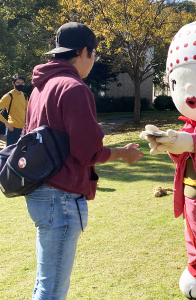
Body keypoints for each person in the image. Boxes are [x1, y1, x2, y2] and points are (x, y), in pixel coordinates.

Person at [24, 22, 144, 300]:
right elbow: (88, 151)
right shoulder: (73, 87)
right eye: (94, 54)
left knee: (46, 282)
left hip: (40, 192)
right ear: (83, 51)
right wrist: (123, 153)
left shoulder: (39, 88)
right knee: (52, 289)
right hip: (61, 196)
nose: (93, 61)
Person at [0, 74, 29, 145]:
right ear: (13, 83)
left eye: (22, 83)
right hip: (12, 128)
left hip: (23, 129)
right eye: (18, 83)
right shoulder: (9, 96)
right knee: (9, 152)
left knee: (20, 152)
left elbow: (27, 111)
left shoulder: (24, 96)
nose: (20, 84)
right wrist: (7, 123)